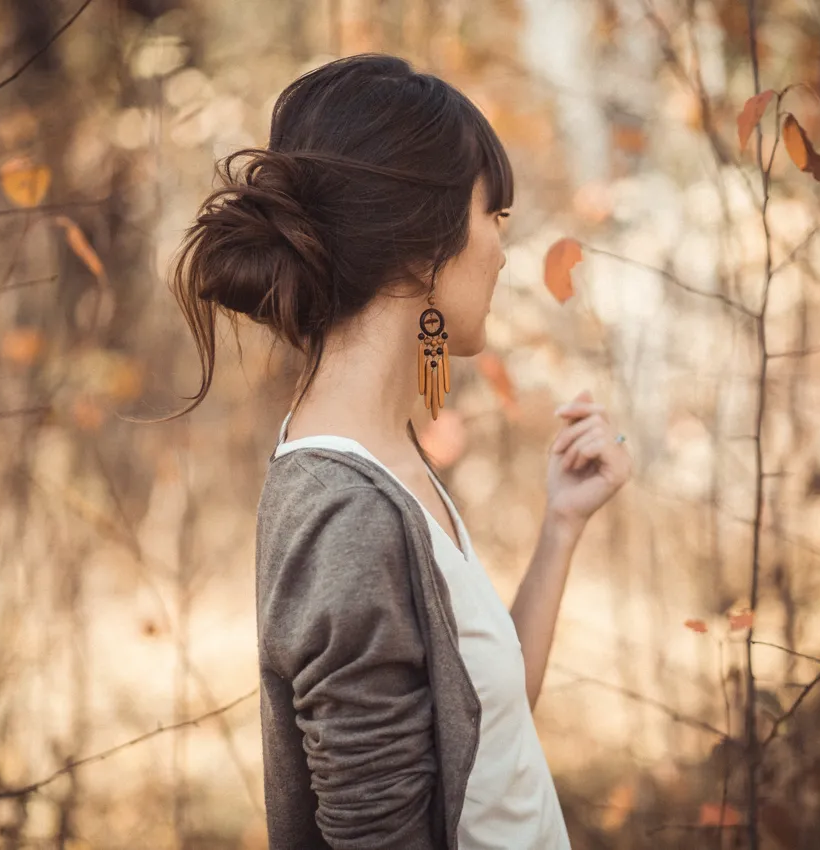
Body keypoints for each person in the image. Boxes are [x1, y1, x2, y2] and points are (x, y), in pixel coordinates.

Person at [171, 53, 631, 850]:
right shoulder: (345, 515)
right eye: (495, 216)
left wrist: (561, 525)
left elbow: (483, 721)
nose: (503, 249)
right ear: (424, 245)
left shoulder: (388, 462)